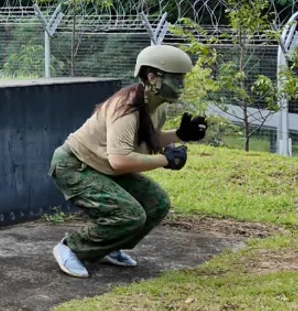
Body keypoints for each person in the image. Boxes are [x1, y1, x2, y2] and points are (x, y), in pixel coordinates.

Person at [48, 44, 207, 278]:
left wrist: (181, 135)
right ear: (153, 78)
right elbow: (120, 161)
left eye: (182, 79)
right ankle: (71, 247)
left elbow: (148, 138)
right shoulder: (126, 108)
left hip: (102, 166)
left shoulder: (156, 106)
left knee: (157, 203)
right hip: (75, 166)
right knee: (130, 214)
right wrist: (166, 160)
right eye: (176, 79)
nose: (181, 85)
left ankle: (109, 246)